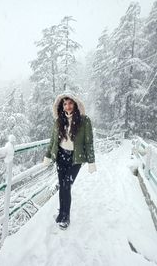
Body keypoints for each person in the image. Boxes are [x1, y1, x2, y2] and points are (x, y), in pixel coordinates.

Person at [43, 91, 97, 229]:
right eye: (65, 104)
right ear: (62, 106)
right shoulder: (58, 121)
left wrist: (91, 161)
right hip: (61, 156)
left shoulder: (84, 121)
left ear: (75, 104)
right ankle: (62, 213)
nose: (67, 106)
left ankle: (66, 217)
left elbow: (89, 142)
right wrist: (48, 156)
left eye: (70, 103)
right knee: (63, 186)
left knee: (67, 184)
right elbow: (53, 140)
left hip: (75, 159)